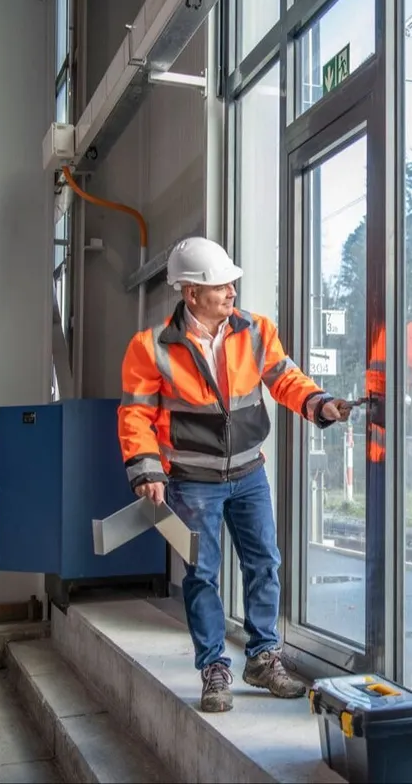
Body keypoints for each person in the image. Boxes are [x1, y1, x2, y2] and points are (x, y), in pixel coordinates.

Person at [117, 236, 352, 713]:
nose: (230, 291)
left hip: (249, 475)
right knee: (202, 575)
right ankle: (214, 669)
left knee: (265, 564)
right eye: (219, 284)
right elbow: (135, 415)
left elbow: (285, 378)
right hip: (190, 483)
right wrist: (147, 470)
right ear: (191, 293)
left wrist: (319, 404)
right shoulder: (151, 347)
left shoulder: (257, 330)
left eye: (231, 282)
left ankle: (263, 657)